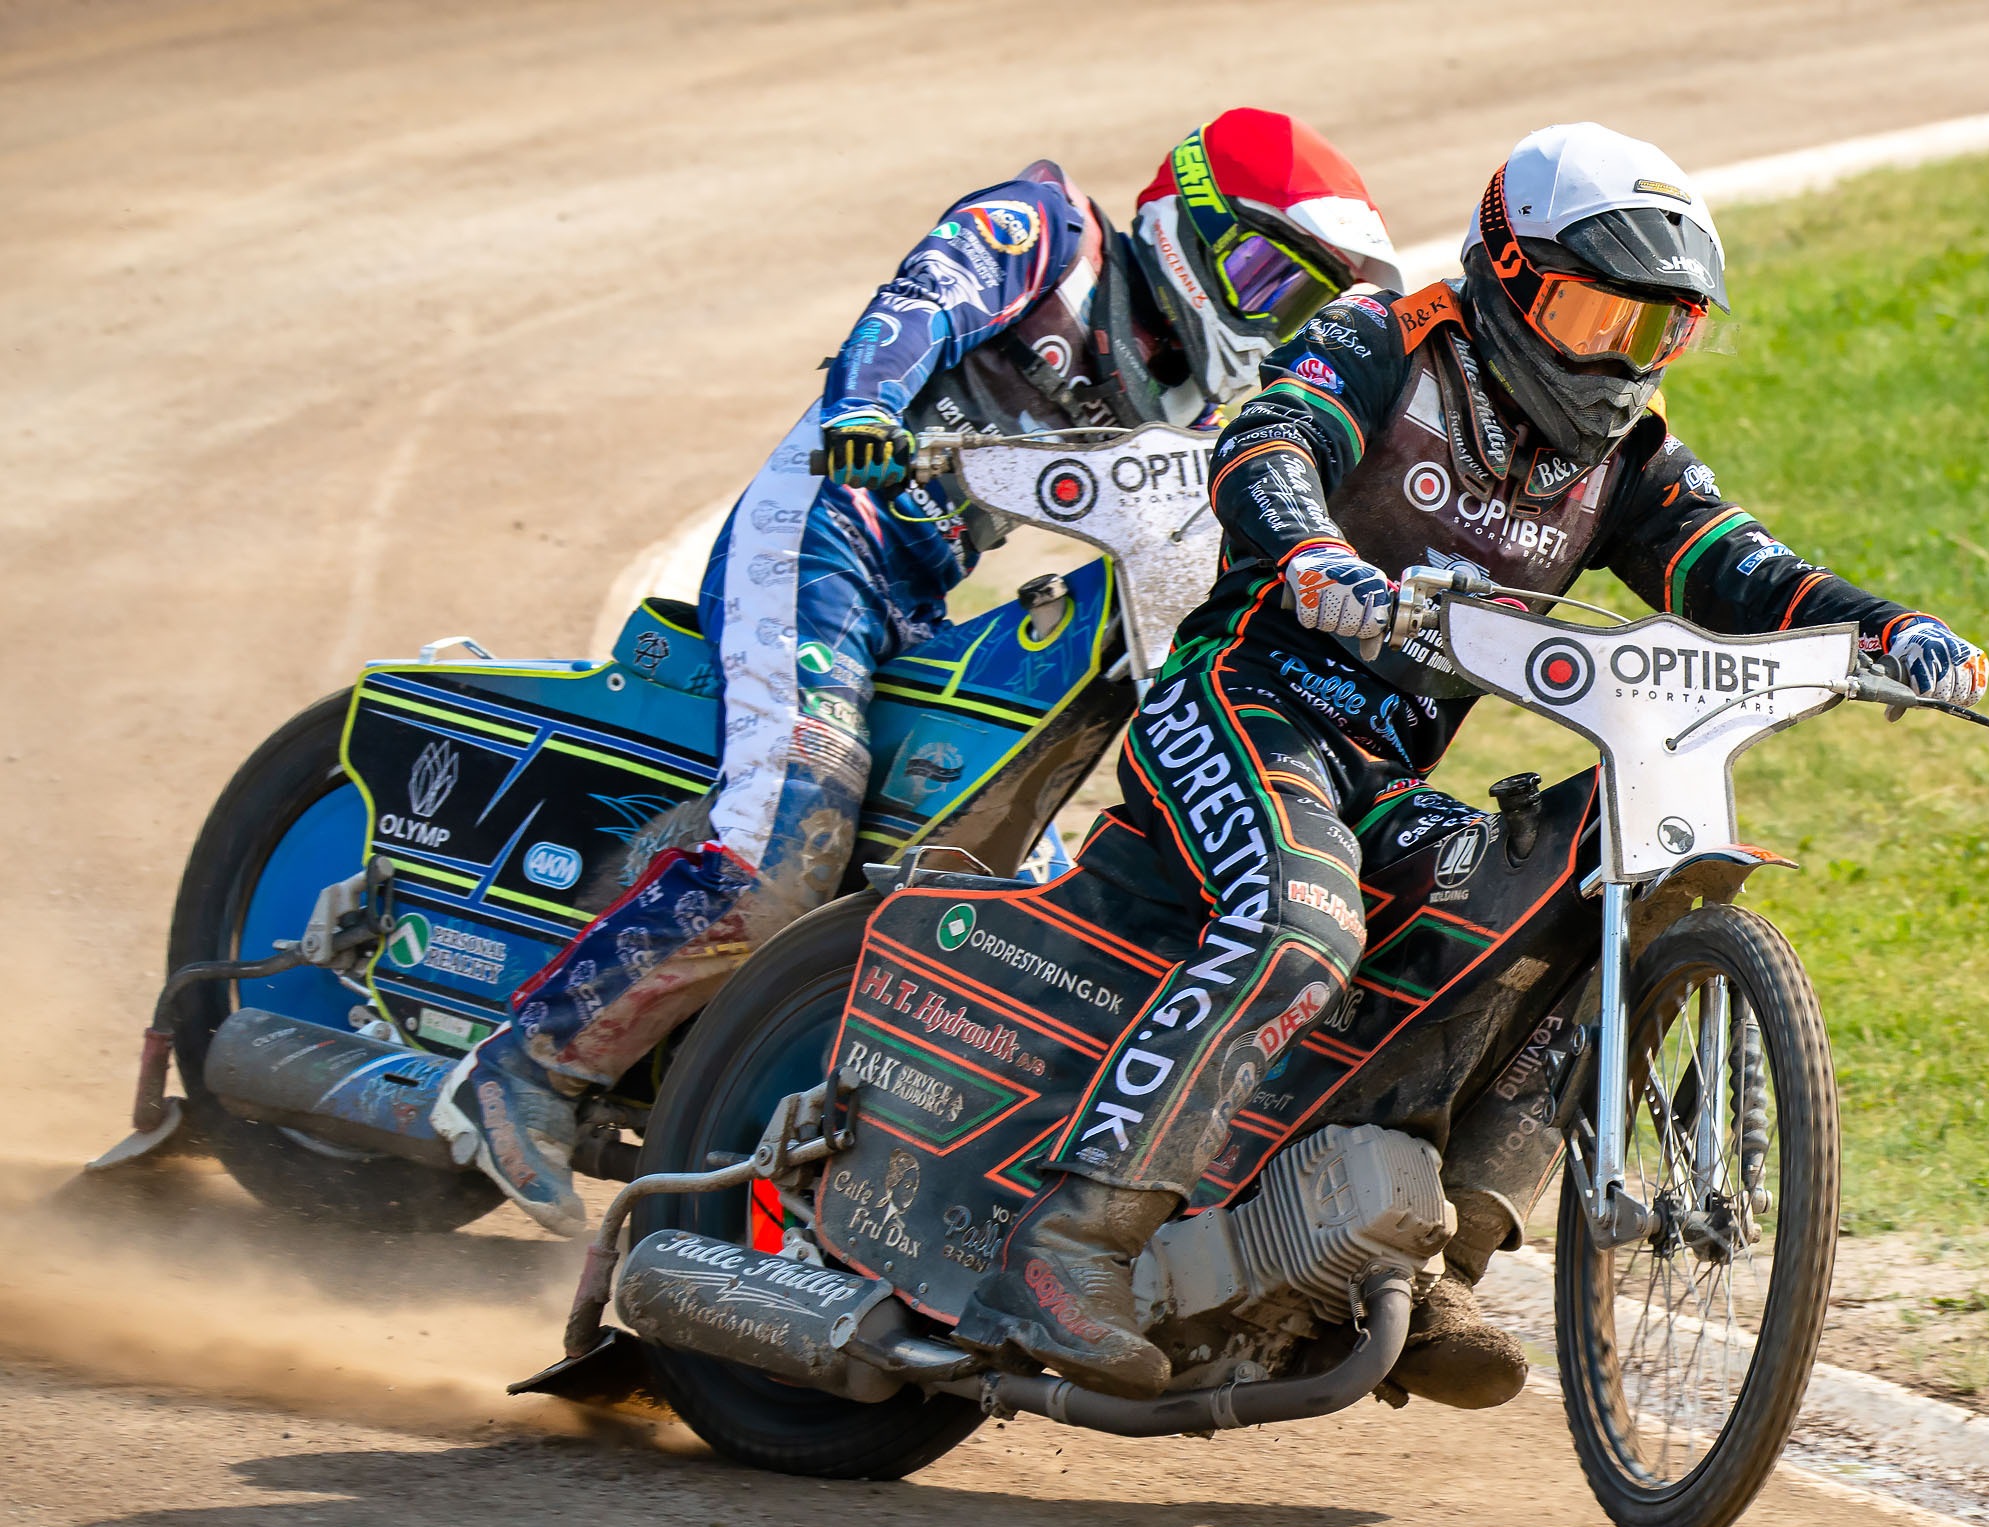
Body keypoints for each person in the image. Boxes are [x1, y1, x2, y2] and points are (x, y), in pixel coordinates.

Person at [954, 123, 1989, 1403]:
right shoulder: (1388, 339)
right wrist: (1310, 556)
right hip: (1243, 702)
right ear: (1503, 269)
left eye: (1656, 331)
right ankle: (1063, 1248)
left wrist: (1883, 625)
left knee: (1555, 901)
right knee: (1301, 919)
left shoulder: (1618, 457)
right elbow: (1266, 442)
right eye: (1592, 312)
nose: (1618, 360)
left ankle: (1436, 1234)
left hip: (1380, 776)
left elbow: (1732, 564)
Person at [425, 111, 1403, 1235]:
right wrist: (866, 405)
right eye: (1259, 269)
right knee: (795, 821)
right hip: (825, 532)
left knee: (994, 874)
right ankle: (526, 1067)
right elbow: (918, 300)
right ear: (1182, 216)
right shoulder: (1046, 230)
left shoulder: (1190, 395)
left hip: (922, 586)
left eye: (1299, 298)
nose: (1266, 306)